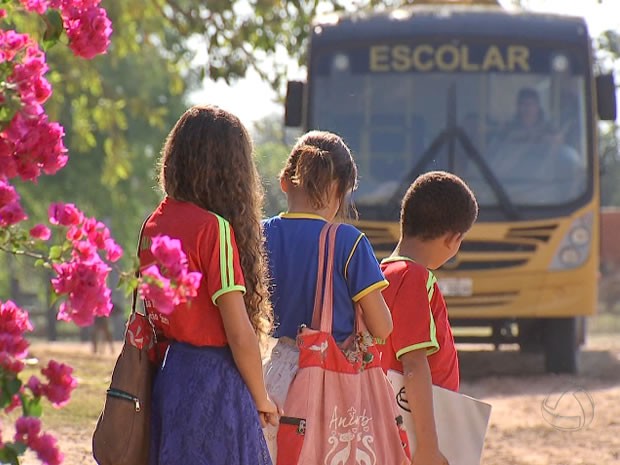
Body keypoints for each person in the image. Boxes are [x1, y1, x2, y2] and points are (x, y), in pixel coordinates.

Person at [140, 105, 278, 465]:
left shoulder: (154, 224)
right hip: (215, 383)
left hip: (170, 376)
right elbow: (239, 333)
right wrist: (262, 397)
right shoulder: (213, 229)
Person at [261, 130, 394, 457]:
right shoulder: (349, 242)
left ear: (284, 181)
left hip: (275, 377)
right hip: (333, 385)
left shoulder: (259, 234)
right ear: (341, 190)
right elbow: (382, 327)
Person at [377, 171, 478, 465]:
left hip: (394, 422)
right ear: (453, 239)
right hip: (419, 430)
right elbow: (413, 364)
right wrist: (428, 445)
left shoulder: (379, 274)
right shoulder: (414, 277)